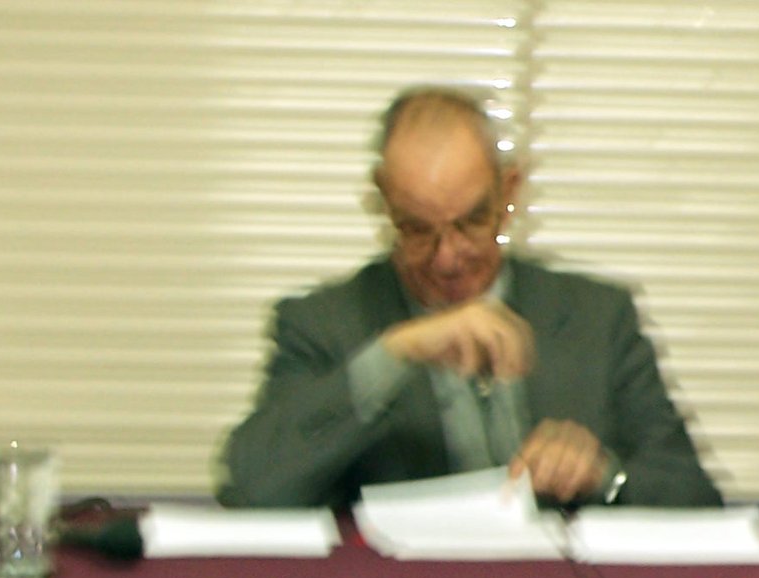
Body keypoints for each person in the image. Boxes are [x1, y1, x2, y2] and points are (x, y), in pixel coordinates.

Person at [218, 86, 721, 510]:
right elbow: (252, 489)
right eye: (418, 230)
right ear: (384, 202)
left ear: (509, 192)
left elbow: (697, 501)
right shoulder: (324, 325)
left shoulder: (598, 318)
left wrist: (604, 475)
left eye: (472, 222)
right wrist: (395, 354)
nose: (448, 258)